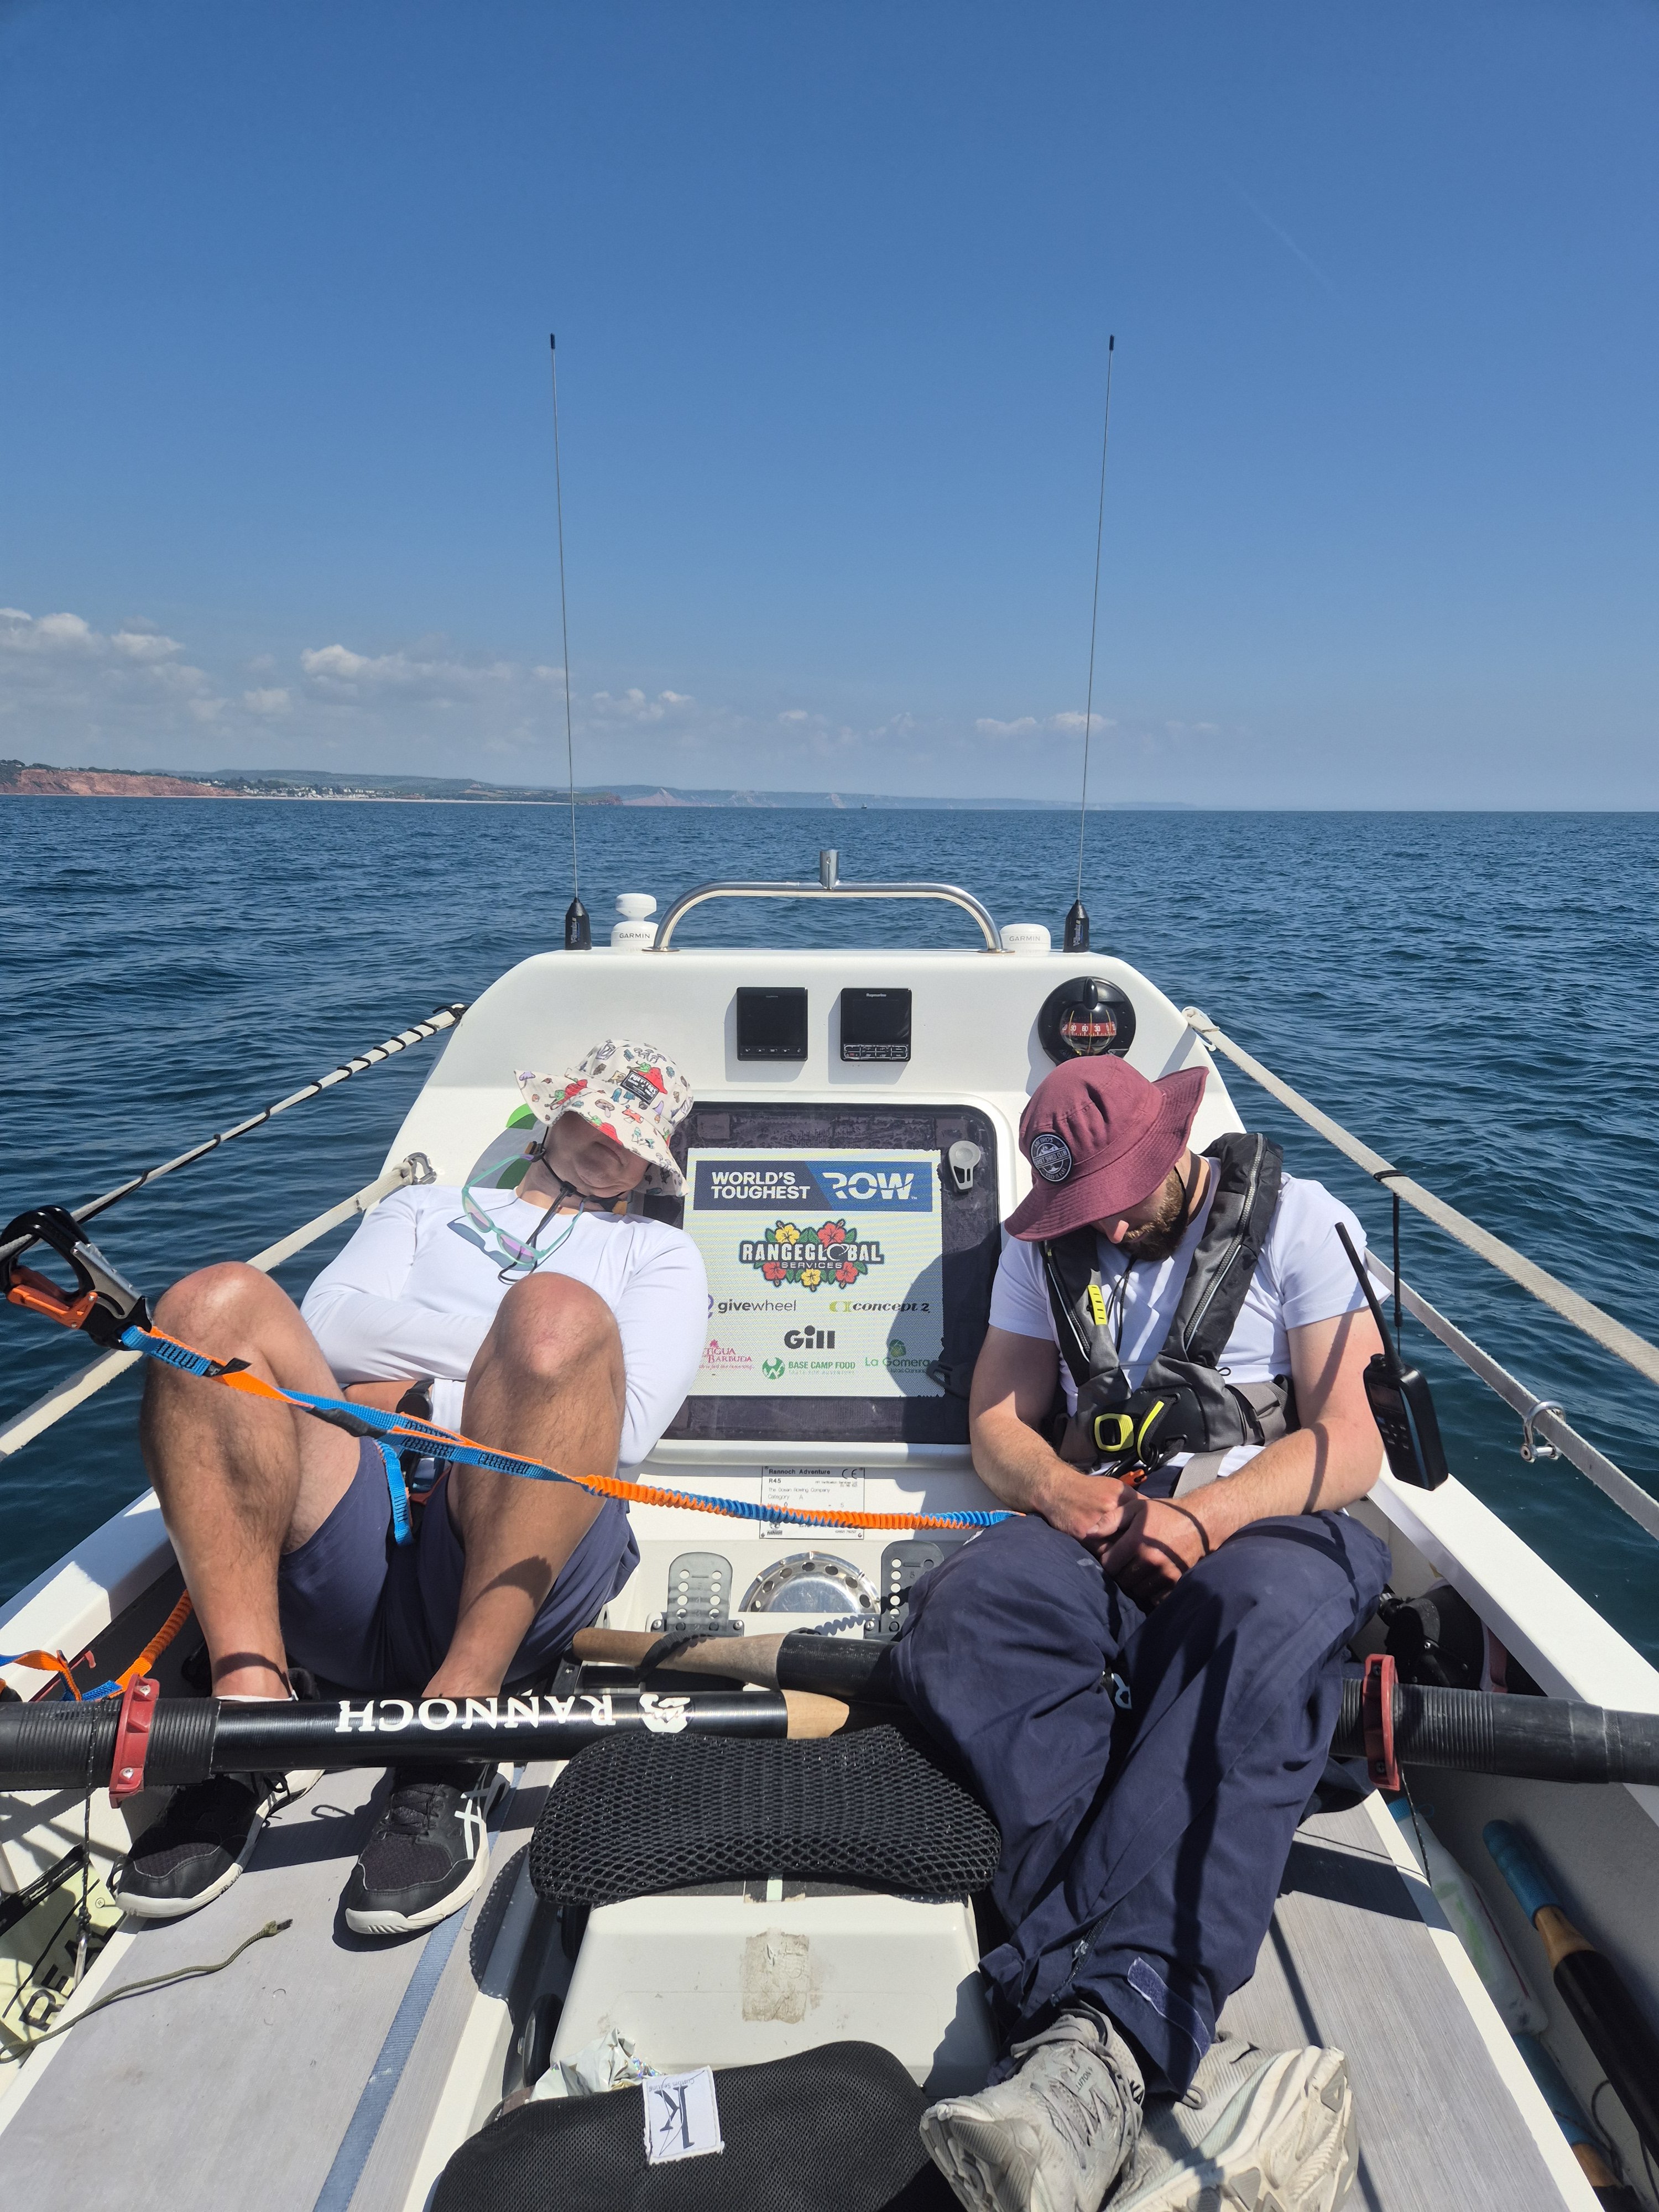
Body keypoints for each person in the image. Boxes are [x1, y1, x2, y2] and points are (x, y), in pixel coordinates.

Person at [901, 1054, 1392, 2212]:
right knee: (965, 1615)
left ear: (1175, 1146)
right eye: (1085, 1208)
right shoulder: (1048, 1249)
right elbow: (1000, 1424)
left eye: (1125, 1190)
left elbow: (1350, 1440)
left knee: (1255, 1623)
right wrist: (1073, 1499)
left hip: (1268, 1521)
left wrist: (1205, 1515)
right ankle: (1164, 2042)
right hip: (1111, 1515)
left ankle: (1099, 2046)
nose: (1111, 1223)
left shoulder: (1301, 1222)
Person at [114, 1039, 707, 1937]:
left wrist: (418, 1392)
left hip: (515, 1557)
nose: (608, 1140)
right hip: (354, 1521)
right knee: (209, 1305)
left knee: (556, 1315)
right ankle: (246, 1719)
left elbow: (619, 1430)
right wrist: (490, 1389)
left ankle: (459, 1729)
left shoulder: (656, 1254)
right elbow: (325, 1330)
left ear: (649, 1163)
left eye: (635, 1134)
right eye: (595, 1113)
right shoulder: (426, 1209)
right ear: (556, 1113)